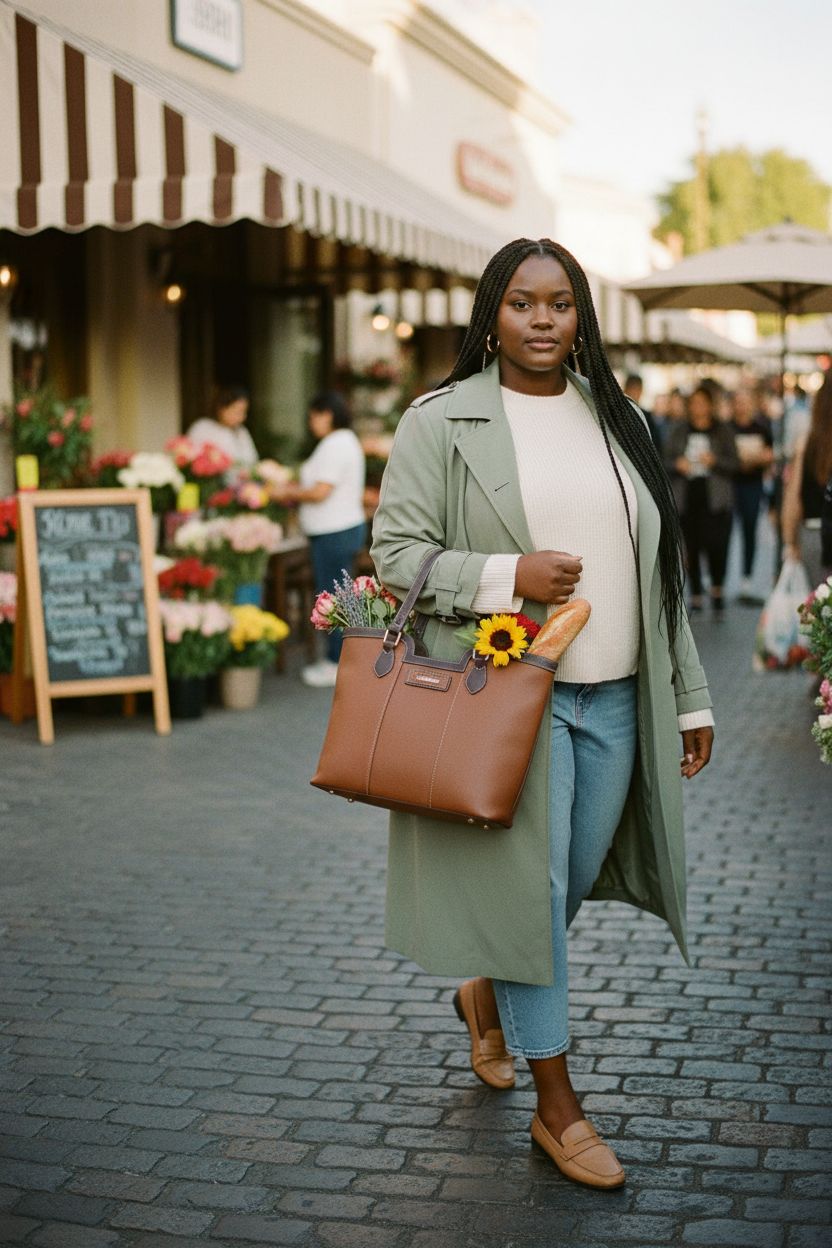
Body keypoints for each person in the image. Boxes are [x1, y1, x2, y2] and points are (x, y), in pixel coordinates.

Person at [370, 238, 714, 1189]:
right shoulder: (441, 421)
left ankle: (485, 992)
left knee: (552, 896)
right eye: (522, 303)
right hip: (509, 701)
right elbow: (396, 555)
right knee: (532, 907)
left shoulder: (622, 418)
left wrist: (688, 695)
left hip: (616, 701)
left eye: (559, 303)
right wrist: (503, 577)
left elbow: (661, 577)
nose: (541, 320)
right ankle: (558, 1111)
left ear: (581, 315)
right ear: (493, 312)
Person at [282, 392, 366, 688]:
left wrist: (285, 492)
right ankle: (342, 660)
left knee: (333, 599)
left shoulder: (335, 444)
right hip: (340, 528)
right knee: (341, 597)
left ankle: (335, 662)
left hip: (334, 530)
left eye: (314, 415)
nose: (311, 422)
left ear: (327, 414)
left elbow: (320, 491)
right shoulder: (345, 441)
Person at [664, 385, 739, 614]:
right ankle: (696, 593)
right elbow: (663, 460)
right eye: (694, 402)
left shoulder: (722, 431)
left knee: (717, 545)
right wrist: (677, 464)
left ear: (710, 405)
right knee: (691, 546)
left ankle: (717, 588)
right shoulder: (679, 430)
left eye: (702, 402)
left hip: (715, 499)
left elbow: (734, 464)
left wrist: (714, 461)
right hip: (687, 497)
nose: (698, 407)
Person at [782, 371, 832, 590]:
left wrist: (790, 541)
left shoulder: (808, 443)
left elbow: (793, 500)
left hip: (813, 535)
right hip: (817, 535)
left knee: (822, 611)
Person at [731, 388, 774, 603]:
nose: (742, 405)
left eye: (745, 401)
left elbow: (770, 455)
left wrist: (757, 460)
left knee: (750, 528)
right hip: (731, 485)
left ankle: (746, 578)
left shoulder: (762, 428)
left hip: (753, 485)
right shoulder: (728, 428)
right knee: (726, 529)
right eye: (738, 401)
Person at [187, 385, 258, 469]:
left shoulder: (242, 431)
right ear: (221, 408)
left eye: (244, 412)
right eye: (238, 412)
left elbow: (253, 460)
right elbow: (191, 457)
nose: (242, 417)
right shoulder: (203, 428)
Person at [623, 373, 662, 449]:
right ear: (625, 390)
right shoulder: (617, 414)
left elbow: (655, 443)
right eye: (632, 389)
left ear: (641, 391)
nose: (634, 393)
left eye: (637, 390)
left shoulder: (646, 417)